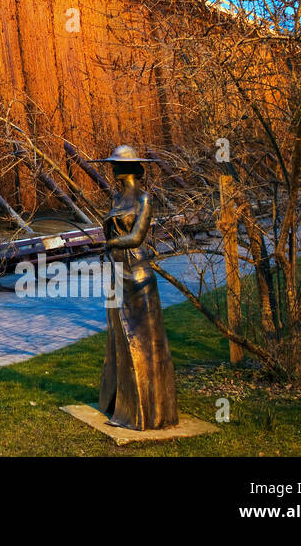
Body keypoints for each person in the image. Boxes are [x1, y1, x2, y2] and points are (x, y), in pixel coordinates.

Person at [97, 144, 179, 430]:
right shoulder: (117, 198)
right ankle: (121, 403)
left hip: (138, 275)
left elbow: (136, 237)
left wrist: (111, 242)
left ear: (128, 168)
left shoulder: (144, 199)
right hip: (117, 272)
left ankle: (148, 411)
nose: (113, 168)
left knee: (143, 343)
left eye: (116, 164)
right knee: (119, 340)